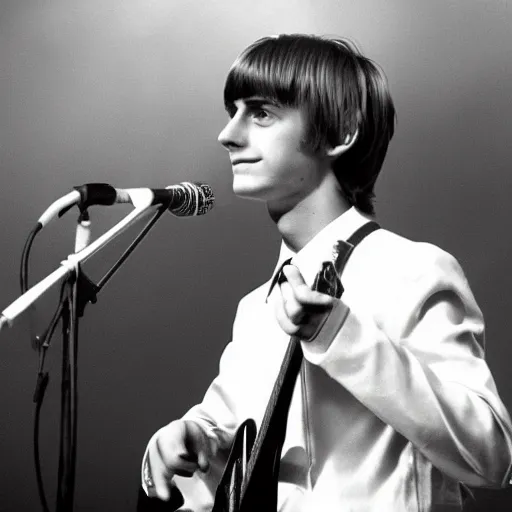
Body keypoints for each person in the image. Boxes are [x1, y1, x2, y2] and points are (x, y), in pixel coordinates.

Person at [140, 34, 512, 511]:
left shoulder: (413, 270)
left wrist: (342, 335)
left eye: (261, 113)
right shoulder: (255, 310)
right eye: (231, 111)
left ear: (341, 133)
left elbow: (491, 454)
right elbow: (230, 448)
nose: (228, 134)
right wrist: (189, 441)